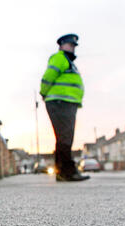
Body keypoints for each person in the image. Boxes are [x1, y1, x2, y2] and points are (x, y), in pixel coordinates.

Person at [40, 34, 90, 182]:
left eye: (74, 46)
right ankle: (68, 171)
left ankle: (62, 172)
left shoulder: (68, 61)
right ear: (61, 45)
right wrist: (44, 92)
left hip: (65, 103)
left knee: (63, 138)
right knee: (65, 138)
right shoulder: (60, 58)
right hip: (60, 102)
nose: (72, 48)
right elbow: (48, 76)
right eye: (70, 45)